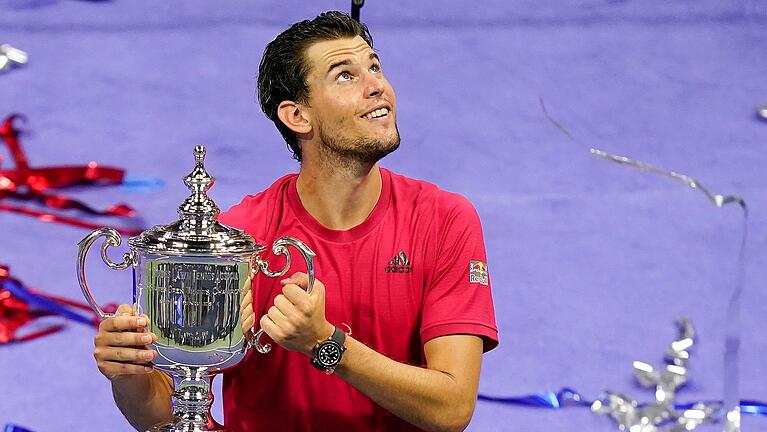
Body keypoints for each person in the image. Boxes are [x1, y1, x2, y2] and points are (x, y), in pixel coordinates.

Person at [92, 11, 498, 432]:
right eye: (345, 75)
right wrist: (130, 375)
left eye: (374, 66)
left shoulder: (445, 220)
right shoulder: (237, 240)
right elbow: (172, 416)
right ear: (297, 116)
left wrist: (325, 343)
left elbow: (452, 409)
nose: (378, 85)